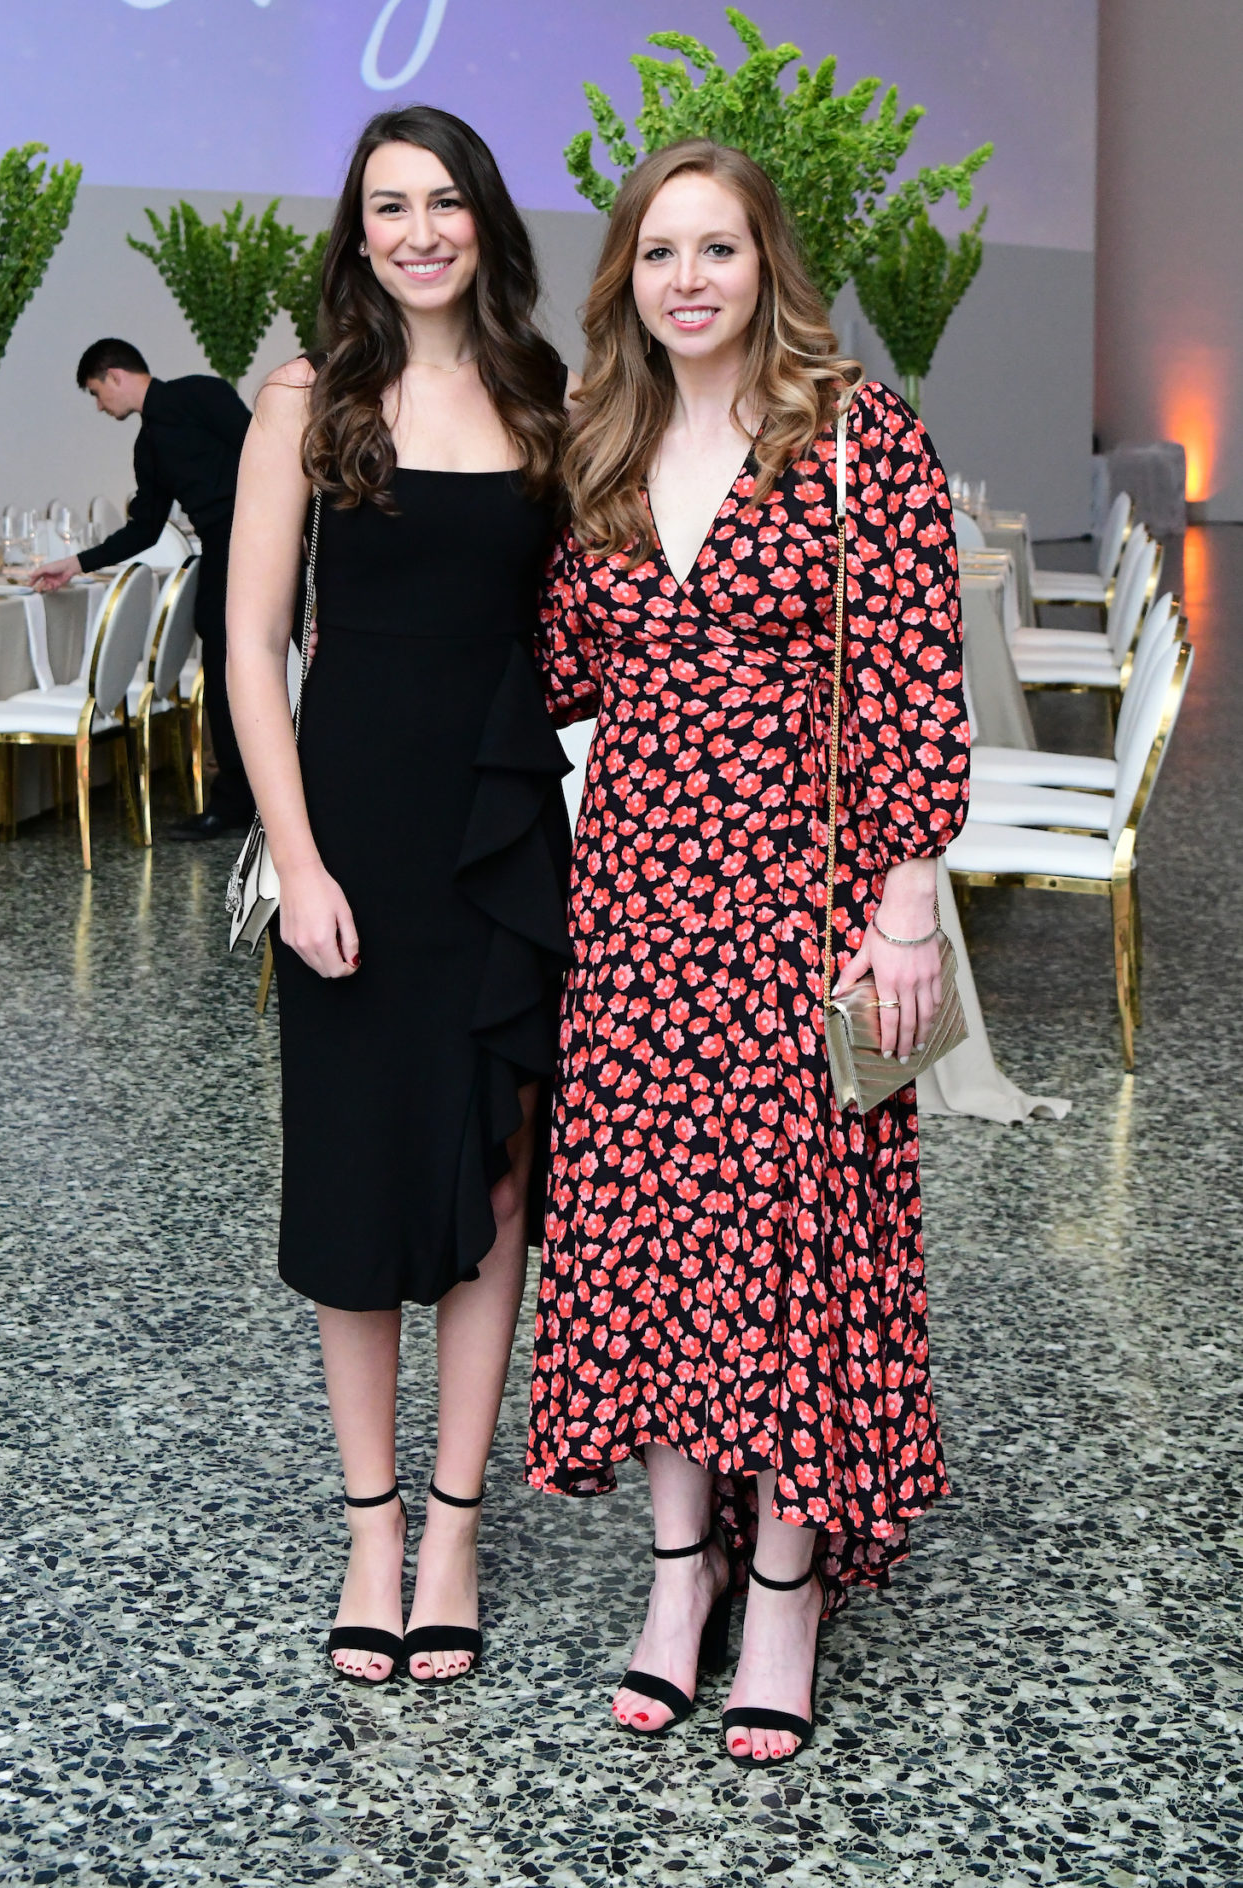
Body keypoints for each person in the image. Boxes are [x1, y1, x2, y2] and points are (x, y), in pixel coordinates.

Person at [525, 139, 970, 1763]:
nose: (689, 278)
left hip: (803, 902)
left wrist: (905, 903)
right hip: (637, 911)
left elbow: (921, 676)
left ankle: (781, 1588)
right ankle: (674, 1577)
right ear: (627, 279)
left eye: (718, 248)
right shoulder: (604, 447)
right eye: (659, 252)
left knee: (793, 1245)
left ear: (768, 264)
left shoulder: (858, 440)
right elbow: (555, 668)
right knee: (657, 1240)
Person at [226, 107, 572, 1686]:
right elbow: (247, 650)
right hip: (351, 831)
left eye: (443, 202)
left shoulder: (542, 396)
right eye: (388, 206)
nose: (418, 229)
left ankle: (452, 1524)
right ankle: (371, 1524)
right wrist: (296, 864)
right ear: (355, 232)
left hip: (499, 837)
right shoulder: (309, 396)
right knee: (360, 1177)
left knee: (499, 1183)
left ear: (481, 220)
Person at [34, 340, 254, 838]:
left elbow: (261, 451)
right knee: (222, 669)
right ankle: (237, 801)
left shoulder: (201, 394)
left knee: (250, 663)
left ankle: (262, 796)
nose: (99, 406)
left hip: (260, 538)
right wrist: (76, 563)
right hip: (222, 548)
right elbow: (145, 529)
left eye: (96, 393)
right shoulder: (148, 444)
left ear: (114, 376)